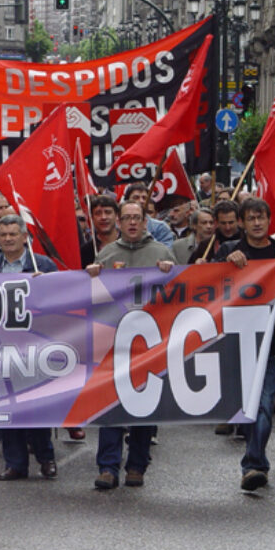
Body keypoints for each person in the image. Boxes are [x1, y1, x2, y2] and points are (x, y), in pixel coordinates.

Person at [214, 198, 275, 492]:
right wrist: (227, 265)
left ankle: (253, 464)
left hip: (272, 343)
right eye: (251, 218)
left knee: (264, 404)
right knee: (246, 406)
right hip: (238, 342)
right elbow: (208, 286)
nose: (256, 223)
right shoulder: (230, 251)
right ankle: (257, 460)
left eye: (261, 218)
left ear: (269, 221)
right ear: (242, 222)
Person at [85, 201, 174, 490]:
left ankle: (137, 465)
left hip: (150, 344)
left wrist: (170, 272)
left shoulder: (161, 253)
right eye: (128, 218)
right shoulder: (107, 254)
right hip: (115, 342)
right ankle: (108, 467)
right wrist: (91, 277)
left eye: (138, 218)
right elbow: (94, 298)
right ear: (119, 223)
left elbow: (177, 292)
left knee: (143, 406)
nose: (133, 223)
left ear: (146, 222)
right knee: (111, 404)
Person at [0, 215, 58, 482]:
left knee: (35, 408)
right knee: (8, 408)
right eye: (2, 234)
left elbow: (64, 298)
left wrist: (47, 284)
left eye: (13, 234)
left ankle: (46, 458)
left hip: (34, 346)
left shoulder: (43, 265)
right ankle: (15, 463)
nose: (7, 239)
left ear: (24, 237)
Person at [123, 183, 174, 248]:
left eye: (144, 198)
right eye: (136, 197)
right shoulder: (117, 226)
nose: (141, 201)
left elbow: (166, 253)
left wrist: (146, 235)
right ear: (126, 201)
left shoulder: (161, 227)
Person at [80, 194, 120, 267]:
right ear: (92, 218)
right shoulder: (85, 252)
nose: (103, 217)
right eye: (98, 213)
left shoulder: (130, 244)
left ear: (116, 216)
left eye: (108, 212)